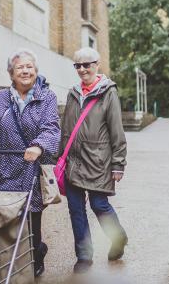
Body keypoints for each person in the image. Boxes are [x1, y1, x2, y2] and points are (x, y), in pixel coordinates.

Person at [0, 48, 61, 277]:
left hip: (32, 170)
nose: (25, 70)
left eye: (29, 66)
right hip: (4, 170)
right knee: (4, 219)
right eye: (20, 67)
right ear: (11, 73)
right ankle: (6, 260)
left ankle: (36, 254)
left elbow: (51, 128)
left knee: (32, 219)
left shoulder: (47, 97)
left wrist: (39, 145)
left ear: (36, 71)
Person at [59, 47, 128, 273]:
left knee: (100, 205)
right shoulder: (72, 93)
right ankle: (84, 256)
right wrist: (59, 158)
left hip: (98, 161)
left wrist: (118, 163)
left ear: (97, 65)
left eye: (86, 65)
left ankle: (117, 238)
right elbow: (66, 130)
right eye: (77, 65)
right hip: (73, 162)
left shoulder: (107, 92)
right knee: (76, 209)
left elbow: (116, 130)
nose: (81, 69)